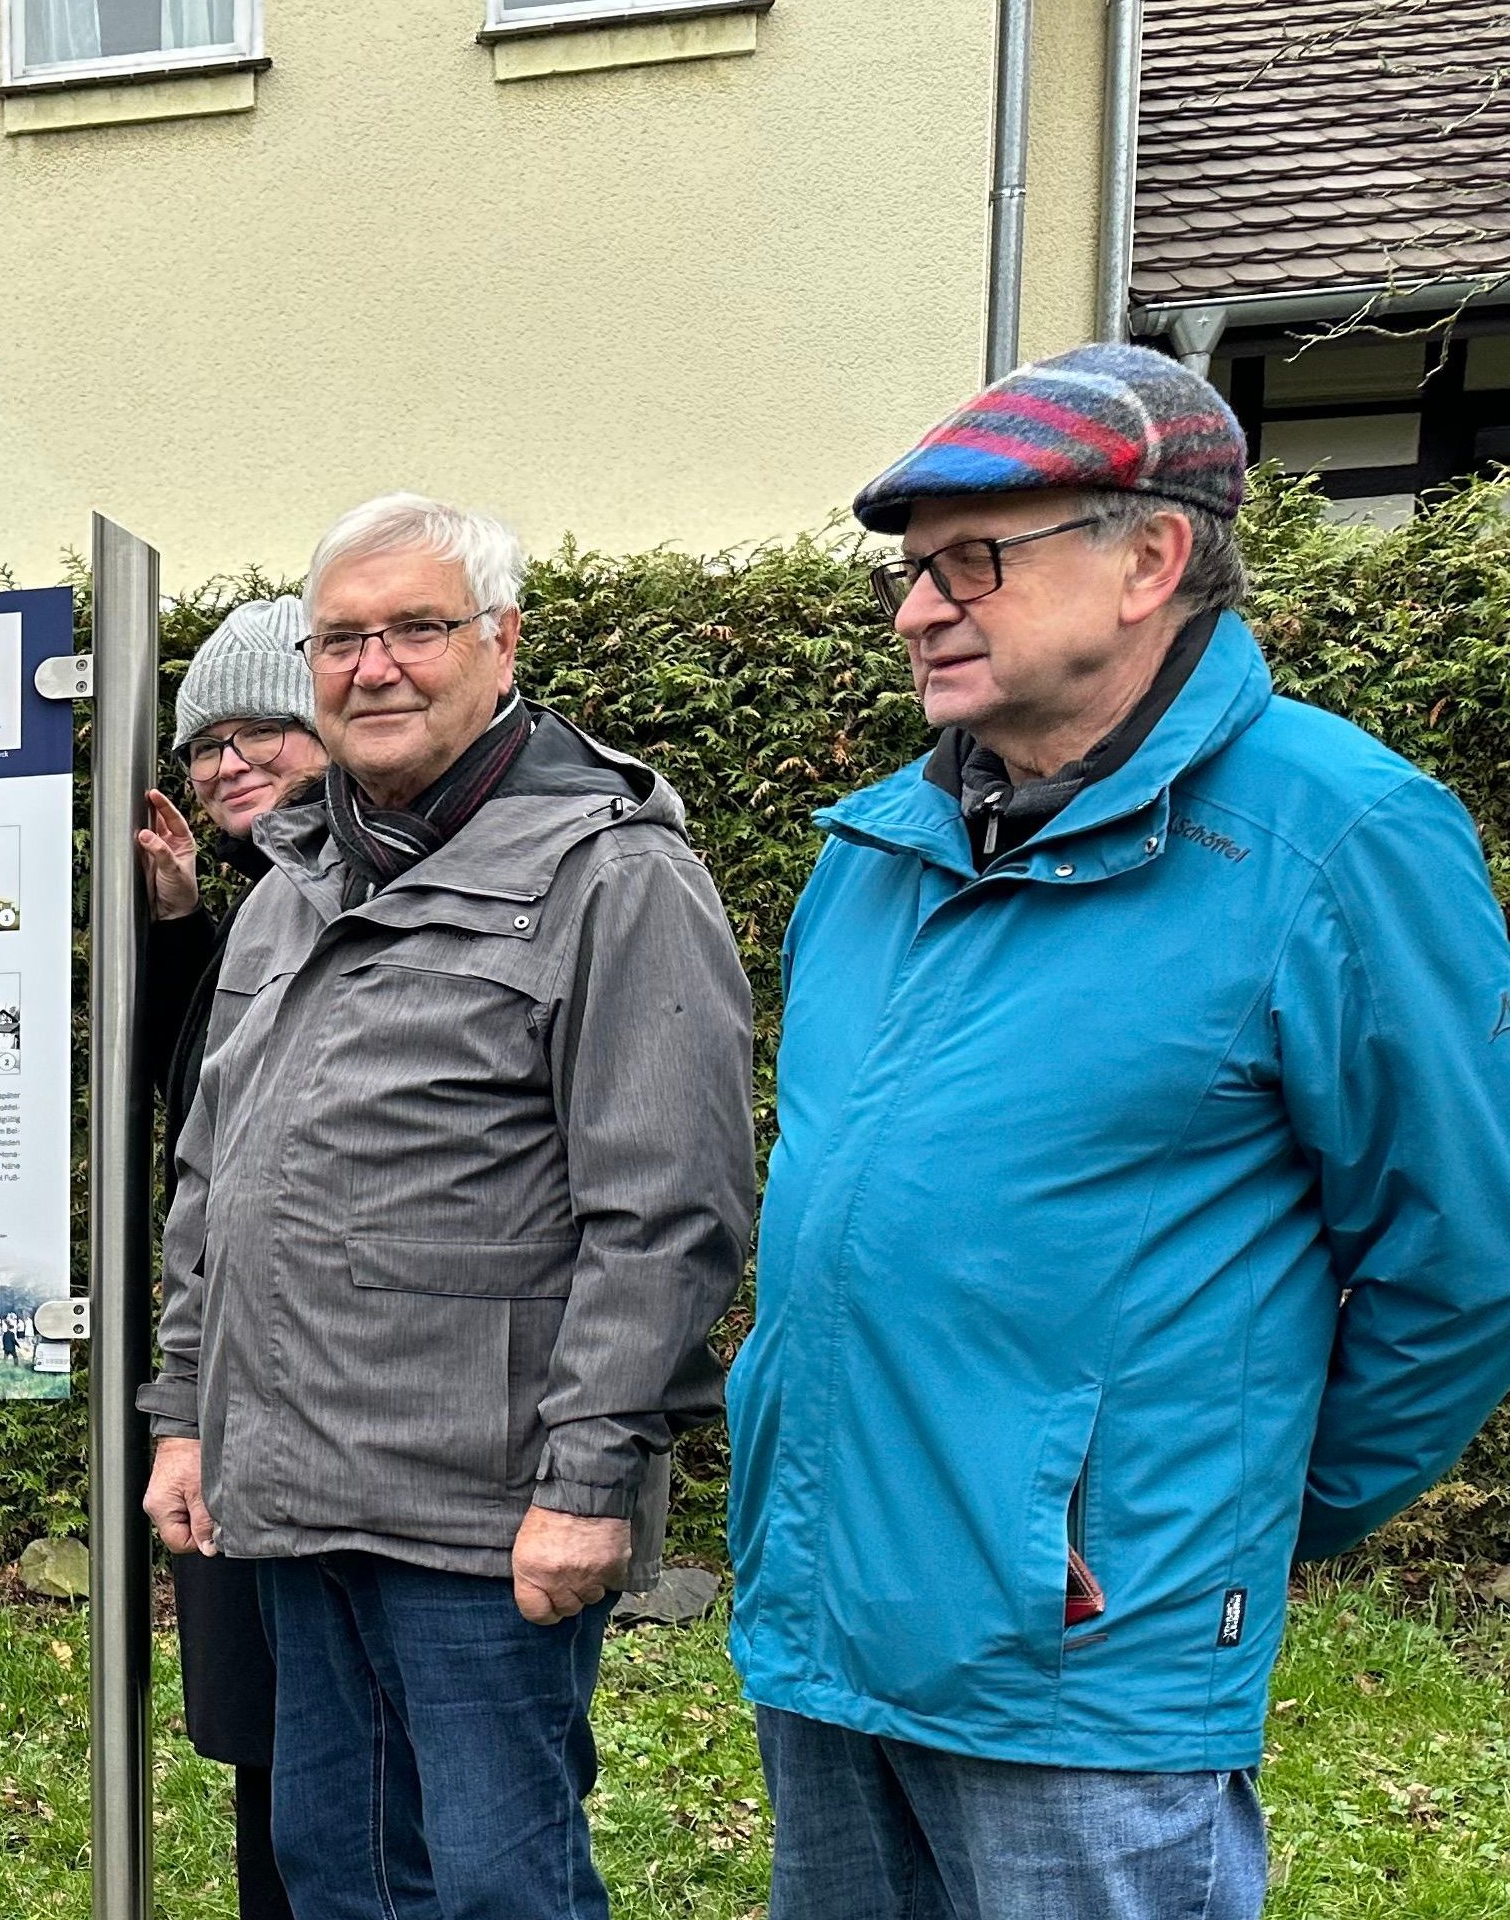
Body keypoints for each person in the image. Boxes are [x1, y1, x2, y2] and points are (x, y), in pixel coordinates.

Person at [732, 344, 1510, 1919]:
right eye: (911, 571)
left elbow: (1467, 1264)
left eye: (974, 564)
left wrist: (1224, 1515)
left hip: (1087, 1658)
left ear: (1152, 556)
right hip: (828, 1611)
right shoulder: (874, 848)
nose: (915, 610)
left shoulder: (1335, 836)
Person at [141, 496, 756, 1920]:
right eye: (341, 639)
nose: (374, 667)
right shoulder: (295, 885)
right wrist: (186, 1414)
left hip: (483, 1513)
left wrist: (589, 1481)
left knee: (491, 1884)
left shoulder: (611, 875)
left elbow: (666, 1214)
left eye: (416, 629)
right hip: (290, 1491)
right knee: (331, 1870)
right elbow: (212, 1179)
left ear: (502, 643)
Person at [128, 595, 329, 1920]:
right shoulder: (261, 914)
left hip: (329, 1411)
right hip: (232, 1403)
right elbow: (186, 1121)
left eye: (266, 731)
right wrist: (180, 927)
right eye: (206, 745)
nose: (227, 764)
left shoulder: (366, 899)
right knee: (273, 1755)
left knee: (346, 1769)